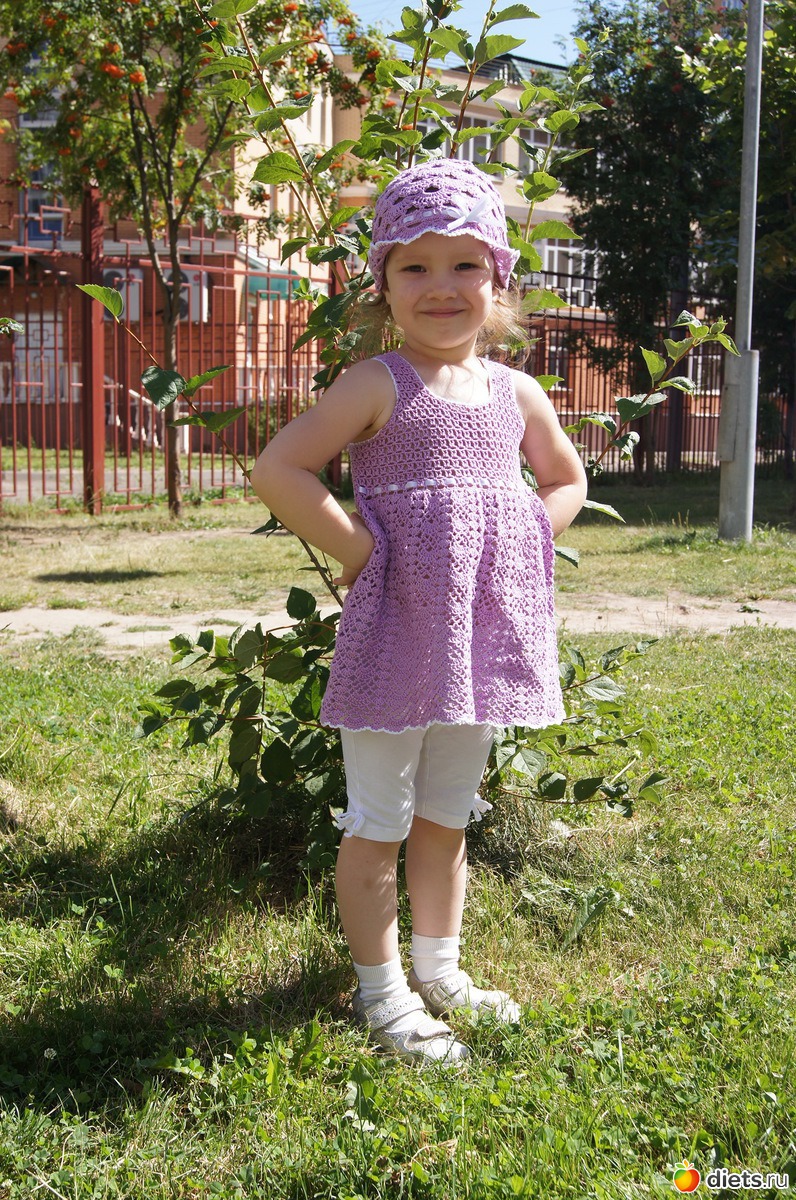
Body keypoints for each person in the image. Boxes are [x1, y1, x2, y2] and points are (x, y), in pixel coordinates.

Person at [250, 158, 587, 1065]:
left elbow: (564, 479)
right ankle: (383, 993)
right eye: (416, 266)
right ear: (383, 283)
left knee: (447, 812)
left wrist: (528, 536)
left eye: (464, 264)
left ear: (498, 277)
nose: (442, 286)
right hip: (395, 637)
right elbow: (279, 468)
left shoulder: (515, 392)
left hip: (476, 644)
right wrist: (362, 552)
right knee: (380, 820)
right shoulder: (377, 383)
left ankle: (441, 969)